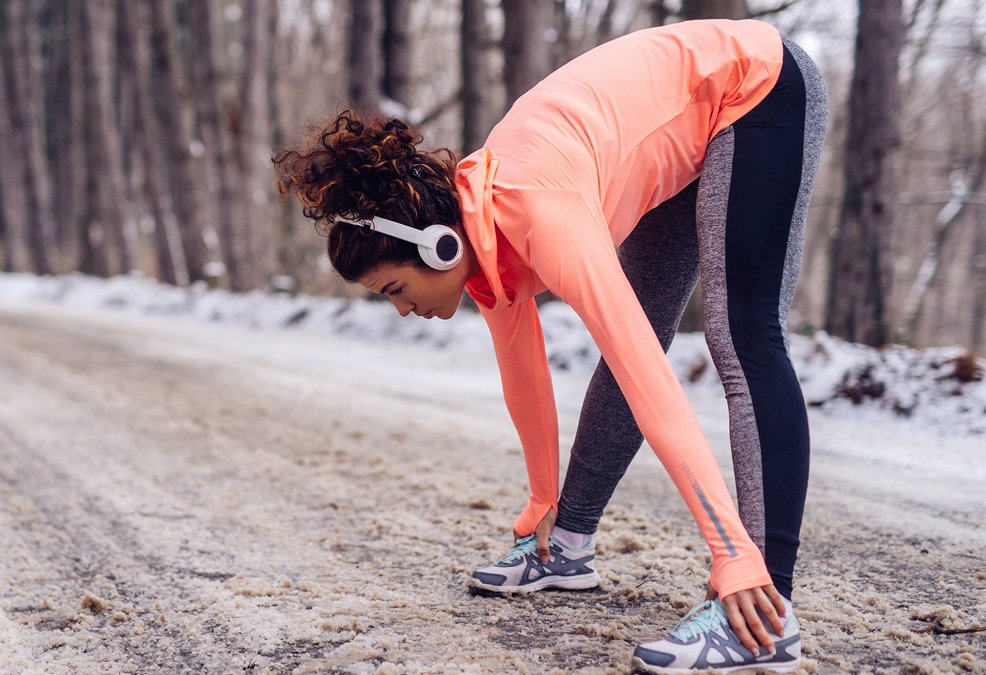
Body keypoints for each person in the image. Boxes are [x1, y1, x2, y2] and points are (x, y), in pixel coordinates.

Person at [275, 17, 827, 674]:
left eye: (394, 287)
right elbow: (525, 377)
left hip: (755, 89)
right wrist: (543, 499)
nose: (401, 308)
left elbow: (648, 375)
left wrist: (729, 550)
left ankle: (765, 610)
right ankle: (564, 546)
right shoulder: (480, 237)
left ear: (437, 245)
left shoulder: (539, 210)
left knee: (741, 338)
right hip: (690, 129)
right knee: (637, 331)